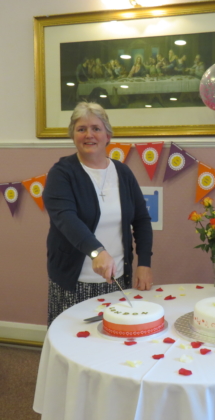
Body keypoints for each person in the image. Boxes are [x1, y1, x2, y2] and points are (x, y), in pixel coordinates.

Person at [43, 102, 153, 326]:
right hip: (75, 283)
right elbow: (66, 219)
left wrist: (144, 263)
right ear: (73, 136)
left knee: (115, 345)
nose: (88, 135)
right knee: (75, 345)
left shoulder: (122, 172)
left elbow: (141, 220)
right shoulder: (61, 174)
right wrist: (97, 252)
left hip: (118, 281)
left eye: (96, 128)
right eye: (81, 129)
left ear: (107, 136)